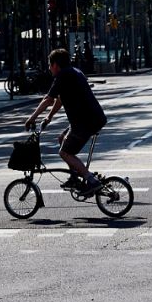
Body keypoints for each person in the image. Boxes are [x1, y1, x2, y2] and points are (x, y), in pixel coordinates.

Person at [25, 48, 108, 193]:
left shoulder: (63, 75)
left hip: (85, 121)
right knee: (62, 138)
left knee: (64, 153)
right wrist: (48, 117)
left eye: (50, 65)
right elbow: (60, 99)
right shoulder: (74, 72)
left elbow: (48, 99)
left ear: (56, 65)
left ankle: (91, 180)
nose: (49, 69)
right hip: (90, 119)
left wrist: (31, 118)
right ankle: (74, 178)